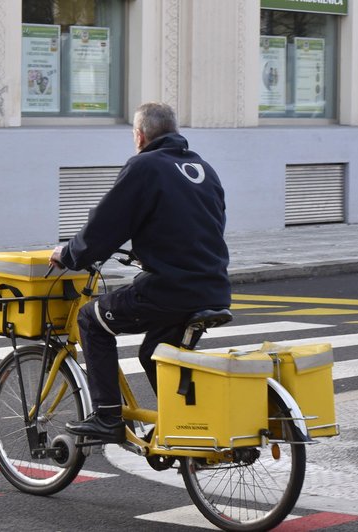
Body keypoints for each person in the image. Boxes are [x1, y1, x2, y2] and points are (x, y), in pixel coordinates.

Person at [49, 102, 231, 443]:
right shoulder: (203, 168)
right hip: (213, 287)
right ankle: (188, 428)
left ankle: (106, 418)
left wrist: (70, 254)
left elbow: (106, 224)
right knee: (155, 353)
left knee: (90, 319)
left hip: (170, 289)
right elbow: (198, 225)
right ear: (175, 132)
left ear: (139, 135)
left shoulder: (145, 166)